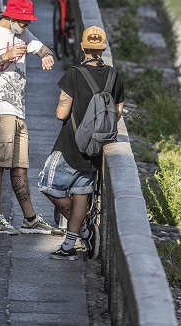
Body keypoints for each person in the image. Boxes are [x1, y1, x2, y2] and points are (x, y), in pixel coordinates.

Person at [0, 0, 58, 235]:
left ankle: (30, 218)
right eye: (23, 21)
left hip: (18, 110)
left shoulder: (23, 33)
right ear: (10, 16)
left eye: (28, 21)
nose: (26, 25)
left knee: (20, 166)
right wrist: (5, 57)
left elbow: (41, 47)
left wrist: (46, 55)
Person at [39, 26, 125, 259]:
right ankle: (70, 246)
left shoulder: (74, 74)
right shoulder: (114, 75)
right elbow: (118, 111)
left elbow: (61, 113)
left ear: (82, 46)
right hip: (96, 147)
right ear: (104, 48)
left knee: (47, 185)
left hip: (70, 145)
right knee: (81, 194)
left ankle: (84, 228)